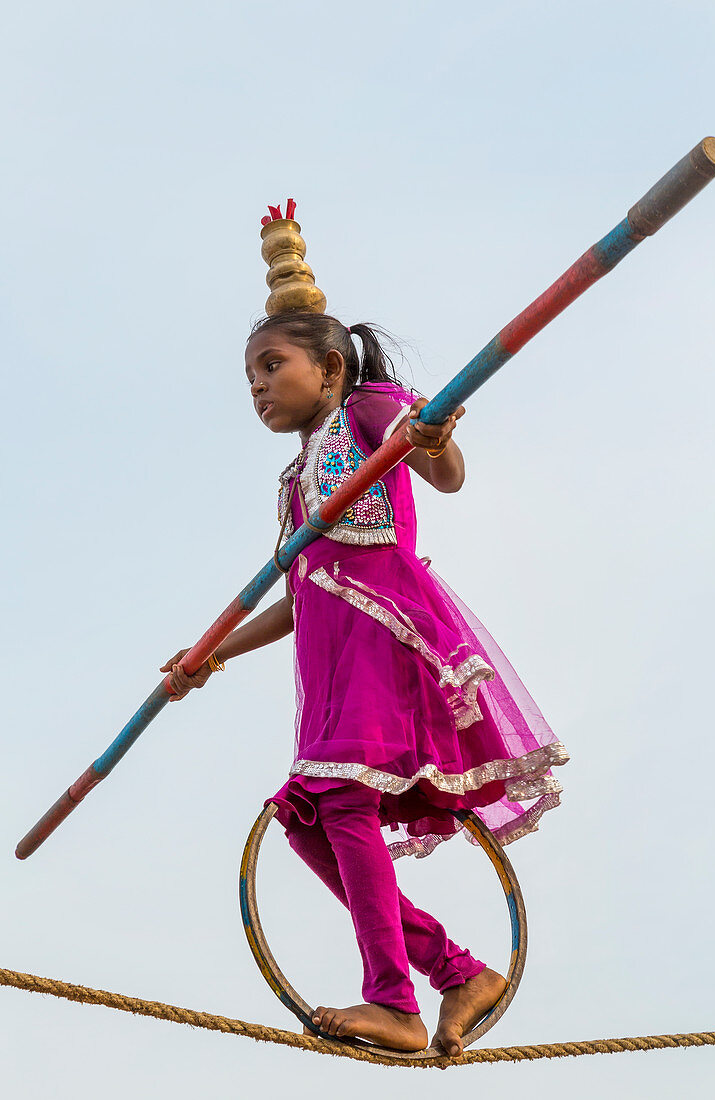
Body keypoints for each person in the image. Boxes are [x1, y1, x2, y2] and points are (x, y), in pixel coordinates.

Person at [162, 312, 568, 1055]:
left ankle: (393, 1000)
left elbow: (443, 475)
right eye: (248, 375)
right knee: (306, 818)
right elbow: (299, 594)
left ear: (328, 367)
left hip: (381, 634)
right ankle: (458, 971)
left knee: (342, 799)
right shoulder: (295, 478)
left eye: (270, 364)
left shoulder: (367, 408)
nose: (257, 385)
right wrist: (208, 655)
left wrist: (435, 441)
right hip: (328, 659)